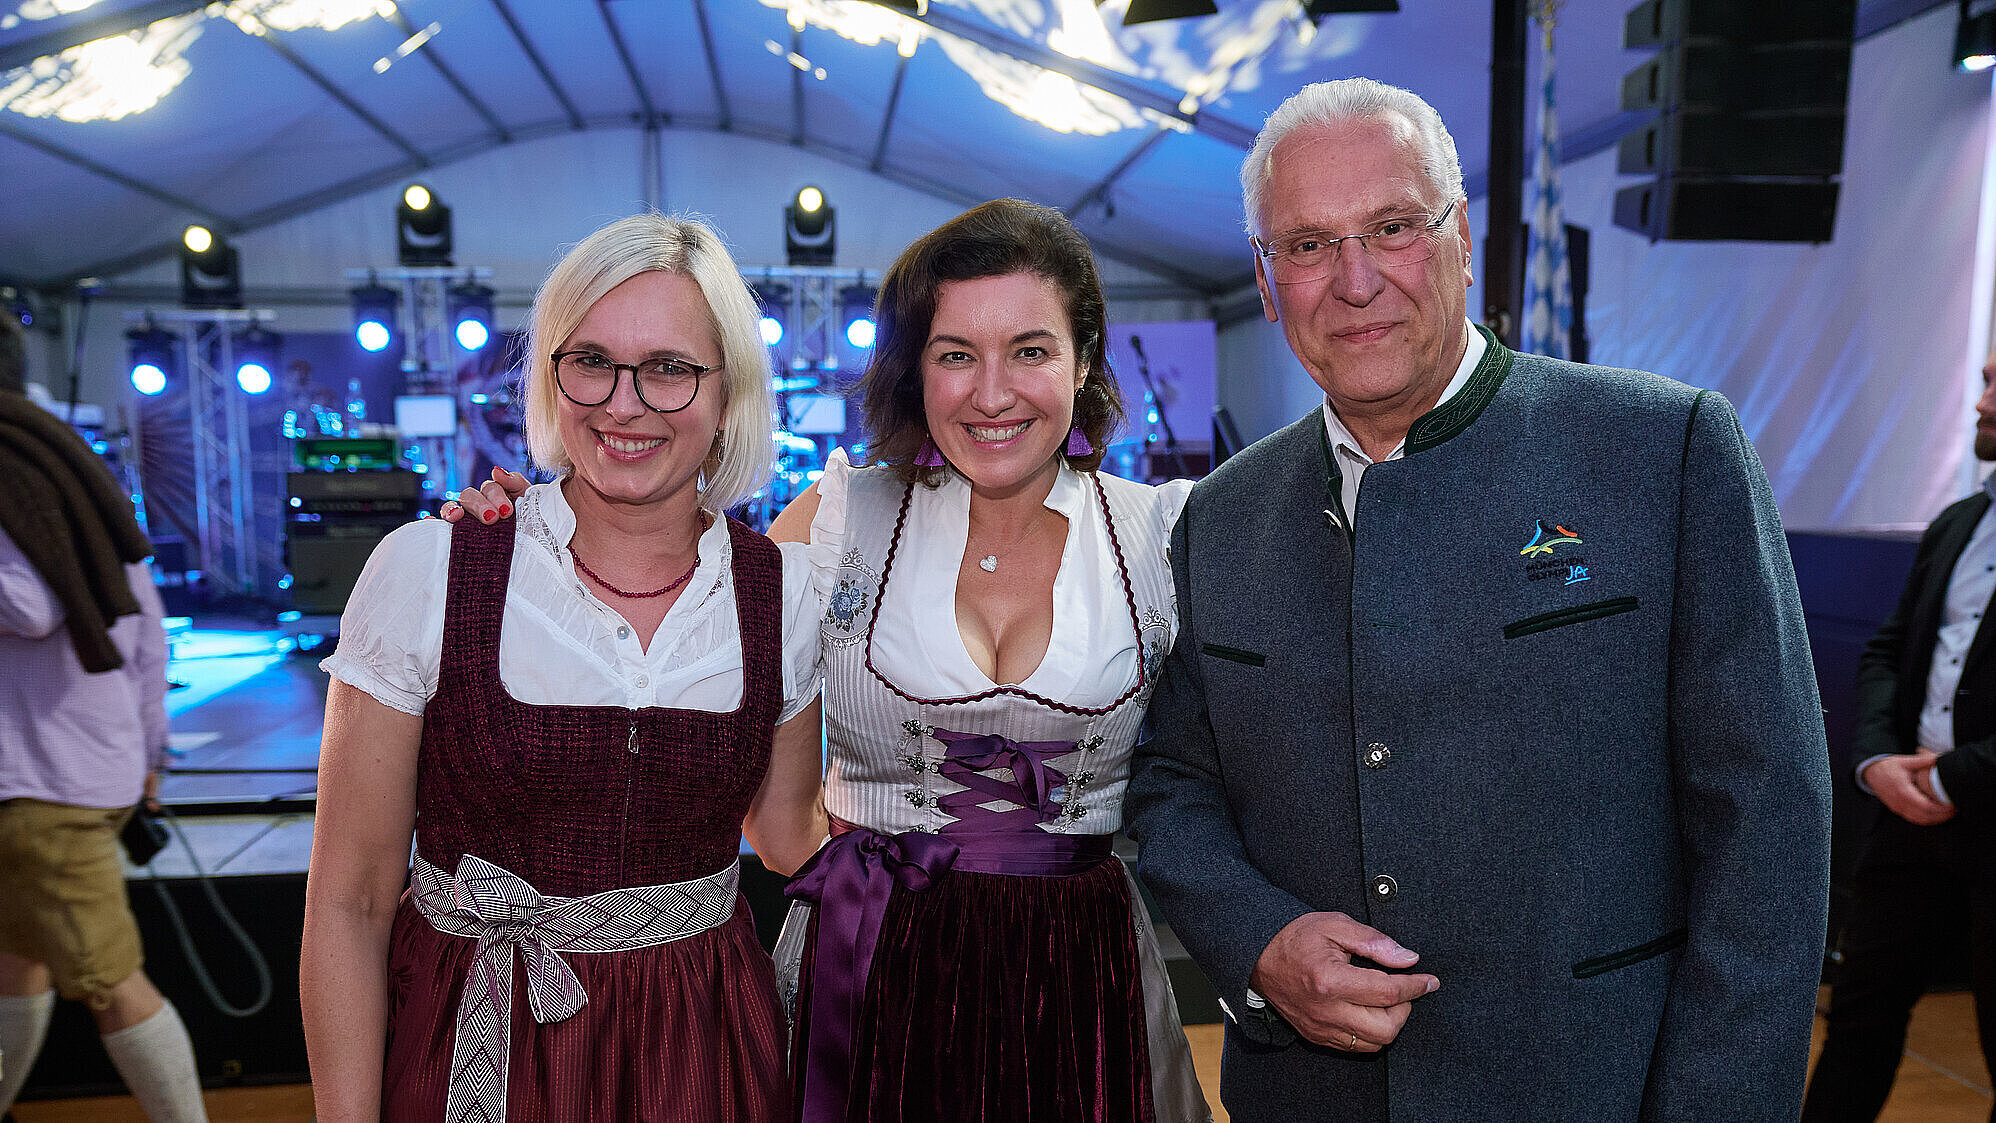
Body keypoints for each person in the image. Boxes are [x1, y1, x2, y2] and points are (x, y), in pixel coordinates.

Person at [1123, 77, 1833, 1121]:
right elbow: (1171, 781)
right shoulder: (1217, 517)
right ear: (1266, 285)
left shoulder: (1661, 449)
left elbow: (1766, 826)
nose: (1354, 280)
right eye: (1307, 246)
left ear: (1462, 236)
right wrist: (1259, 942)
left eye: (1393, 226)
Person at [450, 198, 1211, 1122]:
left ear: (1085, 358)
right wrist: (530, 537)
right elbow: (674, 607)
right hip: (870, 959)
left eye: (1032, 350)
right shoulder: (838, 521)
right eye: (955, 354)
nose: (992, 391)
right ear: (914, 371)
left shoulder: (1165, 533)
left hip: (1078, 967)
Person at [300, 213, 826, 1123]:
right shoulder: (431, 570)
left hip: (702, 1056)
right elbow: (349, 899)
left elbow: (787, 833)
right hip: (477, 1038)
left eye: (669, 368)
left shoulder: (786, 591)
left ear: (728, 390)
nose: (623, 404)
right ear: (551, 373)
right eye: (591, 361)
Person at [0, 314, 209, 1123]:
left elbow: (27, 602)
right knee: (16, 961)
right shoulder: (61, 461)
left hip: (40, 782)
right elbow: (146, 627)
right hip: (80, 765)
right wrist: (151, 746)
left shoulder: (12, 469)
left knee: (108, 977)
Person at [1801, 348, 1996, 1122]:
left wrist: (1955, 778)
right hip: (1904, 826)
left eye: (1992, 383)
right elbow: (1890, 648)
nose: (1980, 400)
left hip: (1983, 819)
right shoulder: (1961, 521)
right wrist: (1877, 759)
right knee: (1857, 1024)